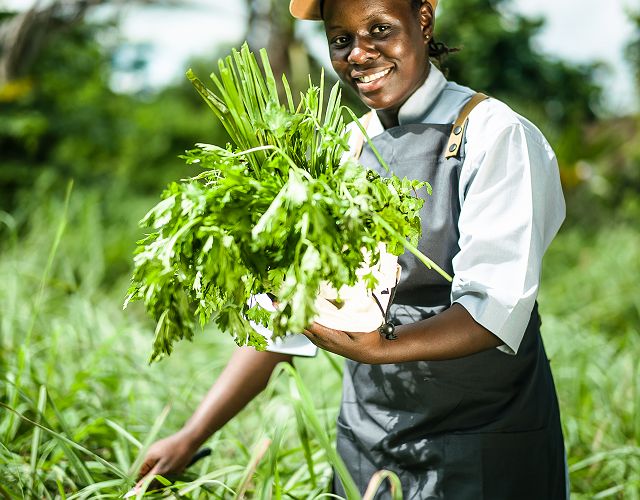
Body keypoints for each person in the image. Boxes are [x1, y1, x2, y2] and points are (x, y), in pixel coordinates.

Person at [136, 0, 569, 497]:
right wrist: (192, 435)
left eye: (379, 29)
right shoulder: (345, 149)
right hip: (369, 440)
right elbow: (286, 322)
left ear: (423, 20)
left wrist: (378, 349)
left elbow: (495, 309)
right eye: (341, 40)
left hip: (484, 439)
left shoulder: (494, 134)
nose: (359, 54)